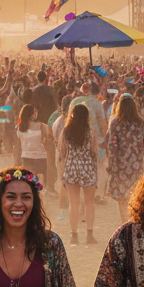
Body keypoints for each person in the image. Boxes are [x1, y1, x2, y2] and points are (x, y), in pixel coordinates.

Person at [105, 94, 144, 222]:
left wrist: (111, 166)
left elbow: (112, 146)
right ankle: (135, 222)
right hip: (137, 167)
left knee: (122, 199)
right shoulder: (141, 123)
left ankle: (124, 223)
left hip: (120, 167)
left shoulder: (115, 123)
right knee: (137, 196)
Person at [58, 102, 99, 246]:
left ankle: (74, 235)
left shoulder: (66, 132)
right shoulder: (91, 132)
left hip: (72, 168)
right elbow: (94, 152)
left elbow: (62, 153)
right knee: (89, 204)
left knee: (73, 204)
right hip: (87, 168)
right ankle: (89, 234)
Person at [13, 103, 54, 188]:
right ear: (32, 115)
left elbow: (17, 147)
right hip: (42, 158)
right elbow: (52, 139)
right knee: (41, 184)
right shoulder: (43, 126)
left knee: (29, 183)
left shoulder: (18, 128)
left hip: (26, 158)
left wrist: (16, 162)